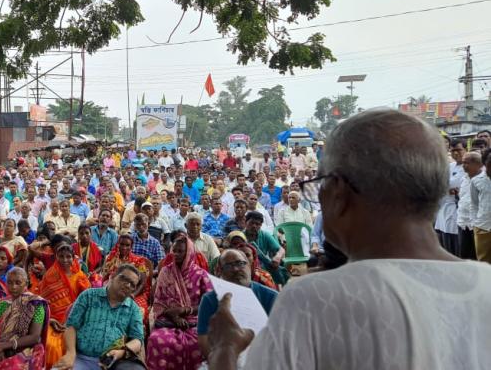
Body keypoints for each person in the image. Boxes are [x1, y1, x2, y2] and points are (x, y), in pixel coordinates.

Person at [206, 108, 491, 370]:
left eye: (317, 186)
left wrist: (224, 351)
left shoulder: (312, 298)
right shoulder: (485, 285)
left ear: (338, 192)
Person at [54, 264, 145, 370]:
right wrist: (70, 353)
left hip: (113, 363)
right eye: (124, 278)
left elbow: (138, 340)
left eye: (132, 284)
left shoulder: (133, 309)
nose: (128, 285)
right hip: (80, 358)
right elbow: (71, 326)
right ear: (112, 276)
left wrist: (121, 352)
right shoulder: (88, 296)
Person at [147, 237, 214, 368]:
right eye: (174, 250)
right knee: (157, 340)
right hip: (168, 318)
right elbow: (159, 301)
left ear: (189, 252)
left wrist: (185, 310)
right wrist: (173, 315)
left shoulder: (201, 275)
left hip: (196, 319)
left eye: (180, 251)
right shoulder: (166, 271)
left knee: (200, 343)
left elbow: (210, 305)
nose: (176, 254)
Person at [197, 248, 277, 358]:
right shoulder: (210, 300)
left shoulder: (271, 297)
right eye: (228, 266)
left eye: (240, 263)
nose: (235, 269)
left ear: (249, 265)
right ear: (220, 271)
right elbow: (203, 338)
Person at [0, 267, 48, 370]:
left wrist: (4, 346)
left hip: (25, 351)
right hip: (0, 352)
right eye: (10, 282)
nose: (13, 287)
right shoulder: (2, 305)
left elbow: (35, 337)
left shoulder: (36, 304)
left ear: (26, 283)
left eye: (18, 283)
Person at [36, 243, 91, 368]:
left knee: (72, 344)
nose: (65, 260)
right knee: (51, 344)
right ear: (56, 257)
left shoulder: (80, 276)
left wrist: (73, 320)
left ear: (73, 258)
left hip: (76, 320)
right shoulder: (49, 276)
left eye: (68, 256)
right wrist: (50, 320)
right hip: (53, 319)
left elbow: (87, 303)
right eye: (61, 256)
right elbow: (43, 303)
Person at [101, 234, 153, 322]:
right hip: (113, 291)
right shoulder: (111, 259)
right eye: (122, 244)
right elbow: (105, 278)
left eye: (127, 245)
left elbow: (143, 283)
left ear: (131, 246)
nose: (124, 247)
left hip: (135, 293)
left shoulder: (138, 261)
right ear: (118, 244)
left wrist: (133, 294)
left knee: (137, 310)